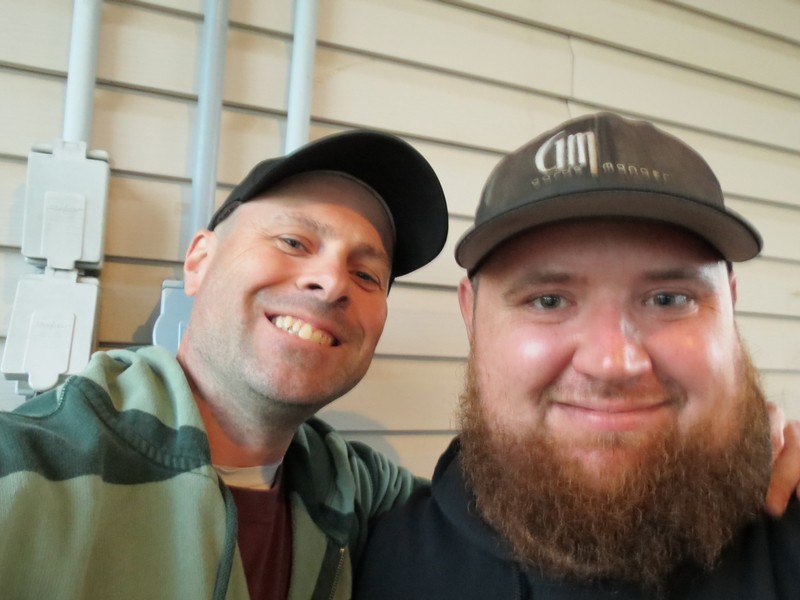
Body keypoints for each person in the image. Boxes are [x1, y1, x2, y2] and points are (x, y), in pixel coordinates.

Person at [354, 113, 800, 599]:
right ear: (471, 315)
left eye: (669, 299)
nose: (612, 364)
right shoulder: (374, 565)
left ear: (730, 305)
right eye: (548, 301)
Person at [0, 130, 449, 599]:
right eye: (294, 242)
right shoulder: (27, 471)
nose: (333, 282)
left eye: (365, 275)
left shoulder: (357, 493)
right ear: (199, 261)